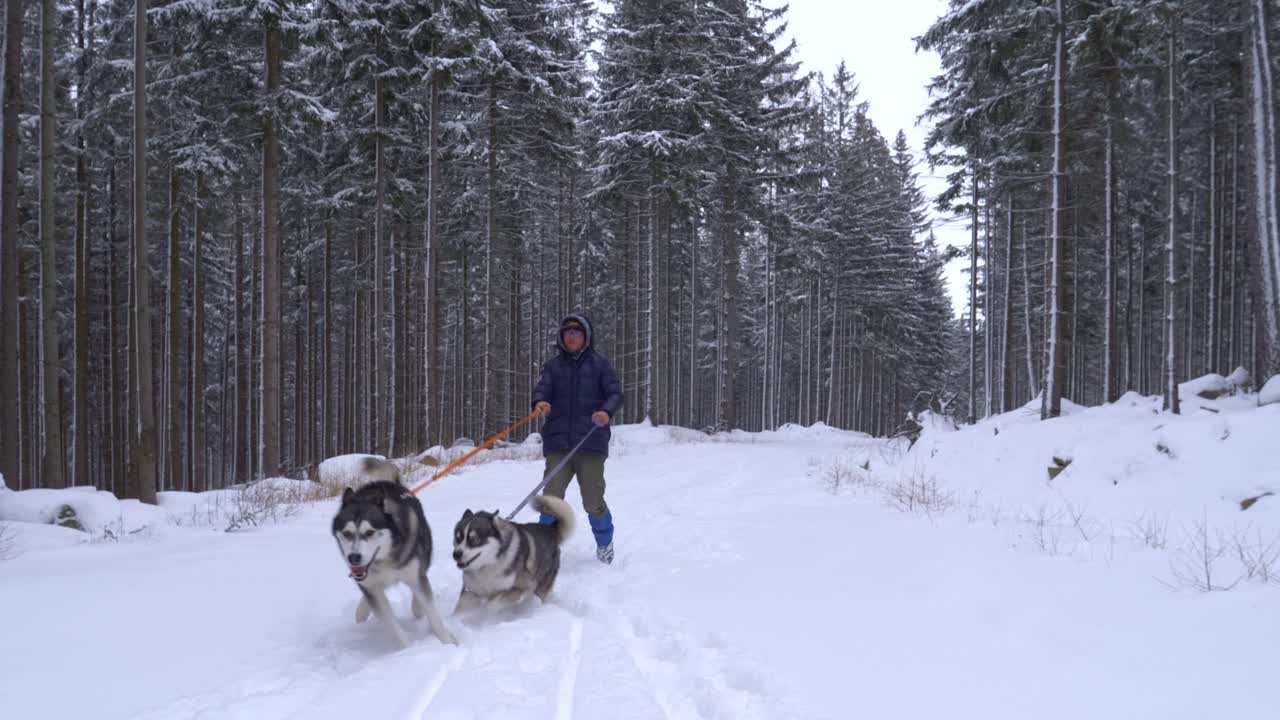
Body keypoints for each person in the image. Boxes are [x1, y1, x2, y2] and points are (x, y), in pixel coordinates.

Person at [532, 314, 623, 564]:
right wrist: (540, 402)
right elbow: (542, 389)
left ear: (586, 336)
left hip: (591, 443)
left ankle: (605, 545)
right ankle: (544, 548)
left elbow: (615, 393)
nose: (571, 336)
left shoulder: (600, 364)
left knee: (593, 501)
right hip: (558, 443)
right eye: (567, 332)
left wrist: (606, 411)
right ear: (562, 338)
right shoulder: (553, 366)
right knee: (551, 498)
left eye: (577, 332)